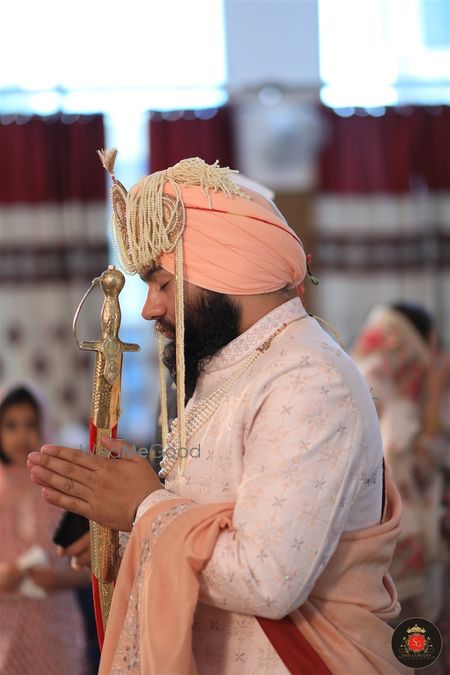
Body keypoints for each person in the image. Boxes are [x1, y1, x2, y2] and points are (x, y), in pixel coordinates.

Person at [28, 155, 409, 674]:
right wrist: (119, 534)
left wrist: (140, 510)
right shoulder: (237, 367)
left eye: (162, 283)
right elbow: (202, 520)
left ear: (225, 269)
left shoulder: (308, 378)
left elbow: (267, 579)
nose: (148, 309)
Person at [352, 303, 450, 623]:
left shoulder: (359, 379)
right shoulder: (400, 402)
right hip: (400, 551)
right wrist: (434, 398)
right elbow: (419, 471)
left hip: (368, 550)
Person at [0, 385, 89, 675]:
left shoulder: (59, 487)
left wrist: (58, 579)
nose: (21, 435)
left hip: (55, 627)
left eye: (31, 424)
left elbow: (93, 567)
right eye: (11, 425)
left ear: (44, 426)